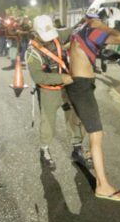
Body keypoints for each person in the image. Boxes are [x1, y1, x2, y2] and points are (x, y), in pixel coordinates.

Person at [66, 11, 120, 202]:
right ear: (96, 21)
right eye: (99, 21)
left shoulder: (80, 31)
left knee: (89, 128)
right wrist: (102, 26)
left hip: (78, 85)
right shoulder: (92, 31)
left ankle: (82, 151)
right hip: (82, 87)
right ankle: (102, 185)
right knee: (97, 134)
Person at [26, 15, 89, 169]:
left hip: (67, 88)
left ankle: (77, 148)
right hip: (49, 92)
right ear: (35, 34)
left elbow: (72, 30)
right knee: (48, 122)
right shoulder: (31, 52)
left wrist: (85, 21)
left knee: (75, 117)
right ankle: (44, 150)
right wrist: (61, 77)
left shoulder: (56, 35)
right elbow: (38, 76)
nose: (49, 39)